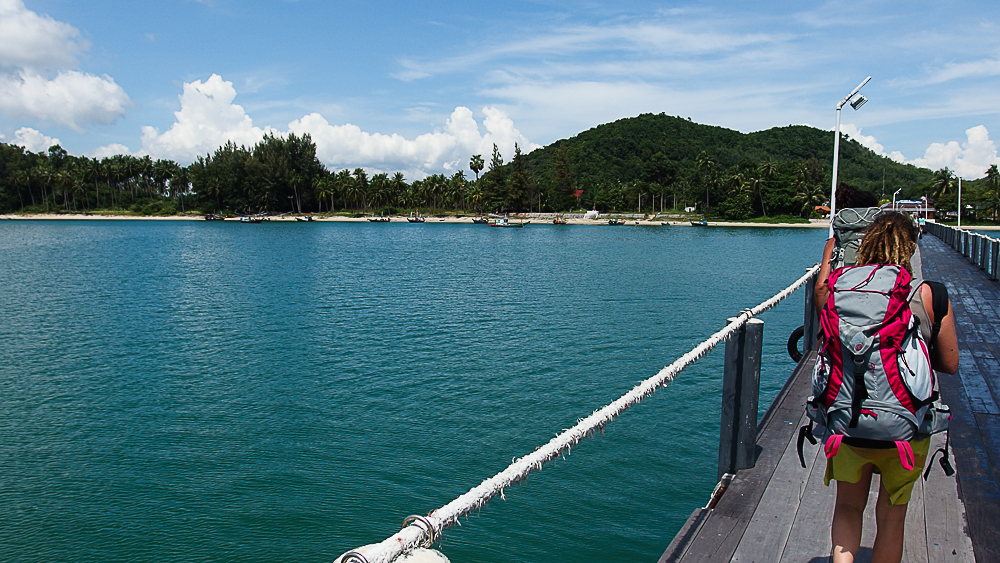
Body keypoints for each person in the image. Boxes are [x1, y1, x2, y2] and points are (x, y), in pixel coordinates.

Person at [814, 211, 959, 563]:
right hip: (906, 427)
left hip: (846, 419)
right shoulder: (927, 294)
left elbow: (825, 330)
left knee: (848, 506)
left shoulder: (839, 285)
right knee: (892, 517)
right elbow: (949, 364)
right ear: (910, 247)